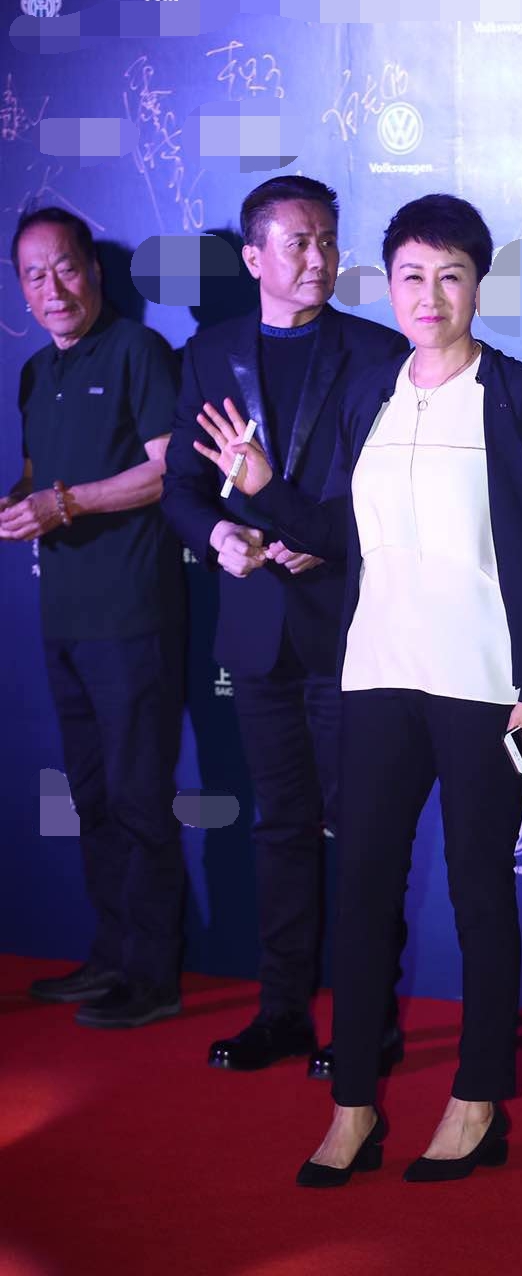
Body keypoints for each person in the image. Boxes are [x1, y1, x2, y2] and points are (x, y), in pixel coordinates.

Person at [193, 192, 522, 1184]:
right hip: (375, 675)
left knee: (480, 890)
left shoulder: (520, 395)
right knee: (362, 892)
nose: (430, 295)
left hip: (484, 684)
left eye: (451, 275)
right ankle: (353, 1104)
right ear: (389, 283)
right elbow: (340, 533)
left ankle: (476, 1100)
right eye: (412, 275)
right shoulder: (372, 388)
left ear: (479, 286)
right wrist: (265, 488)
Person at [161, 175, 409, 1077]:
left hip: (351, 626)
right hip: (257, 631)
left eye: (329, 240)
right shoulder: (209, 354)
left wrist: (328, 541)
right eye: (299, 242)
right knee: (278, 828)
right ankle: (282, 1012)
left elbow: (396, 493)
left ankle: (369, 1021)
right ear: (253, 257)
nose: (319, 257)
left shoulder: (378, 352)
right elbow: (182, 489)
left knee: (363, 833)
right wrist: (219, 536)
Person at [0, 206, 186, 1028]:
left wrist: (64, 503)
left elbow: (165, 474)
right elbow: (38, 473)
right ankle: (111, 956)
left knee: (140, 798)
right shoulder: (34, 372)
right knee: (93, 797)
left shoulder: (138, 351)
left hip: (132, 614)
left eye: (66, 267)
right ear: (21, 290)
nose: (54, 288)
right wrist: (20, 502)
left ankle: (153, 975)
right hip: (63, 618)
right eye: (34, 276)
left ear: (94, 272)